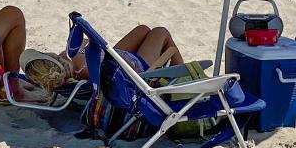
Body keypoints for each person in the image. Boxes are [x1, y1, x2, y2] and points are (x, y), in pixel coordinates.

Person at [22, 24, 184, 89]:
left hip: (114, 60)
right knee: (161, 32)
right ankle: (186, 77)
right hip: (132, 68)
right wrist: (82, 49)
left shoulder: (70, 69)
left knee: (142, 30)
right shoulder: (81, 68)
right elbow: (86, 41)